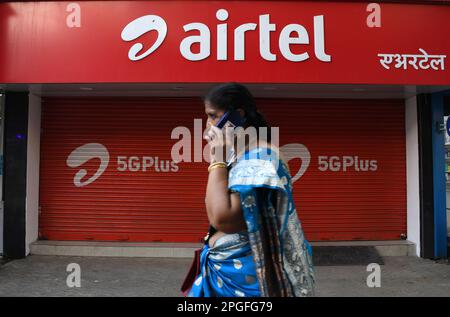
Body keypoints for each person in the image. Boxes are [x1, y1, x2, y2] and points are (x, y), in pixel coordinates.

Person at [187, 83, 315, 297]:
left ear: (237, 116)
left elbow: (223, 218)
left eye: (213, 116)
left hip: (250, 283)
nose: (208, 126)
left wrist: (217, 160)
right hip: (224, 275)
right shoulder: (238, 154)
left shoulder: (261, 157)